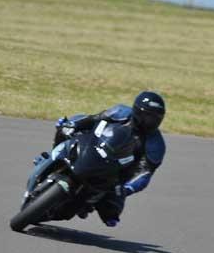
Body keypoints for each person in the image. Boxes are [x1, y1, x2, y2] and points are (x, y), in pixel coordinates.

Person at [52, 91, 166, 226]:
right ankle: (53, 158)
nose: (150, 121)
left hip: (116, 172)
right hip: (94, 148)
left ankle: (86, 204)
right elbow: (93, 119)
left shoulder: (157, 144)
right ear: (137, 111)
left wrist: (127, 188)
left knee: (112, 213)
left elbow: (145, 173)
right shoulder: (121, 112)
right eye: (147, 116)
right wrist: (73, 125)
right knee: (64, 127)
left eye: (155, 118)